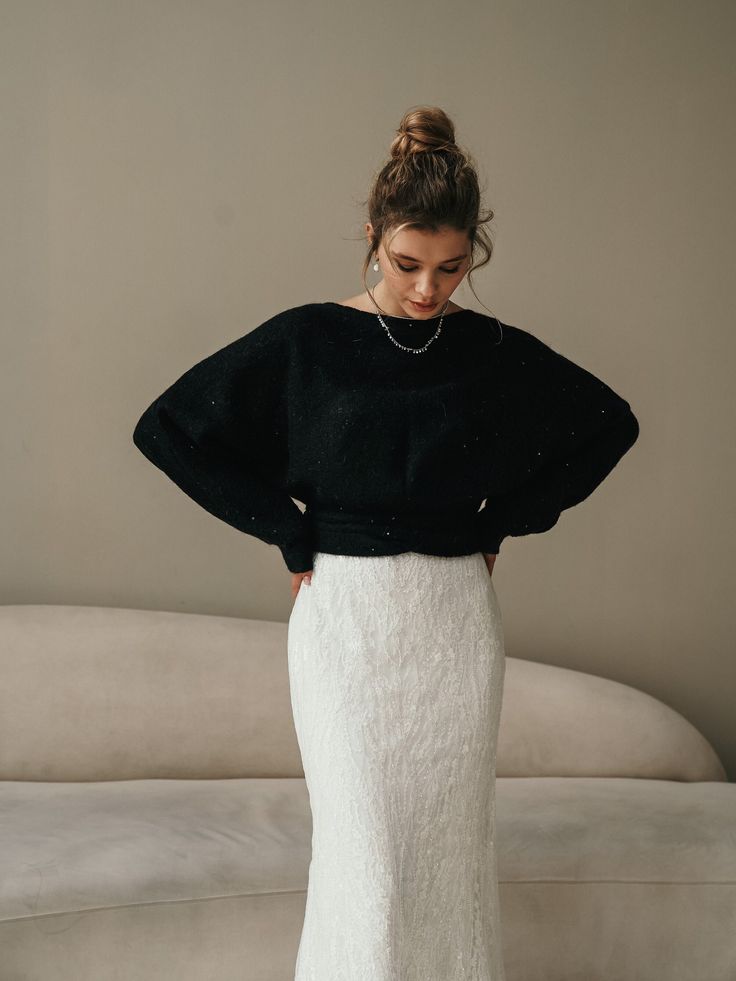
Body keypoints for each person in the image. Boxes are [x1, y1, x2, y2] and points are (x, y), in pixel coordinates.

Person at [132, 105, 639, 981]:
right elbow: (169, 427)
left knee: (448, 864)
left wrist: (496, 522)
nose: (426, 289)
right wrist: (289, 531)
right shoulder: (308, 341)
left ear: (471, 250)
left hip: (454, 626)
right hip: (346, 625)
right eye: (407, 263)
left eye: (450, 268)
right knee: (364, 862)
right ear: (373, 236)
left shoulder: (486, 351)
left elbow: (609, 424)